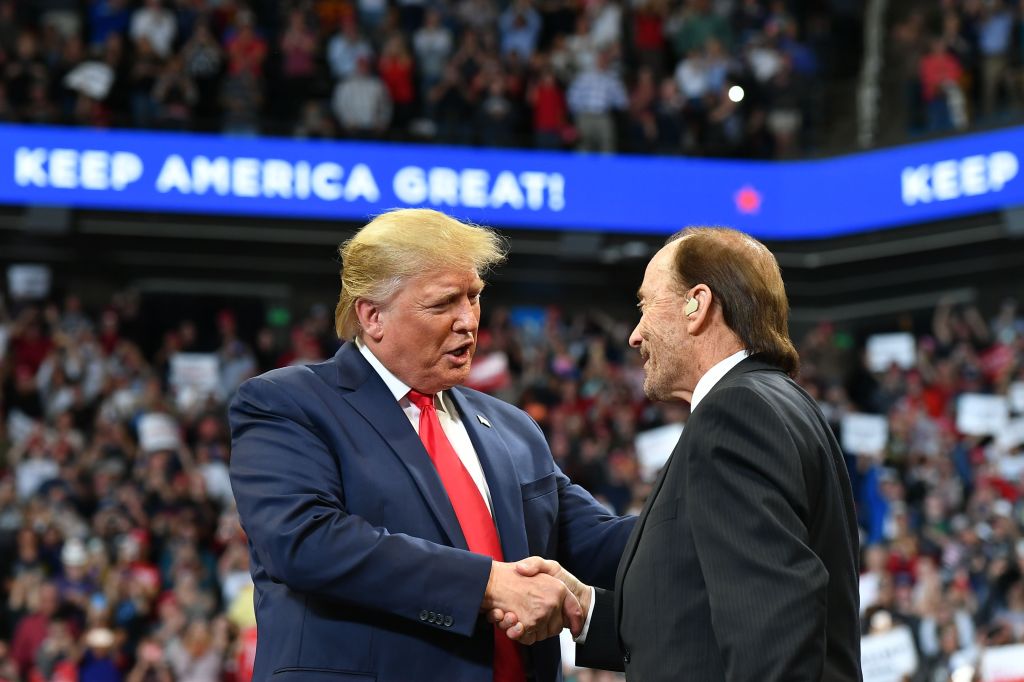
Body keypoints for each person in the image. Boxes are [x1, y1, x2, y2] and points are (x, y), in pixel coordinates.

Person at [228, 208, 634, 682]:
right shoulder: (287, 402)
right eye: (444, 304)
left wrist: (704, 505)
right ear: (372, 315)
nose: (468, 321)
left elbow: (599, 543)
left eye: (475, 297)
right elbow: (304, 540)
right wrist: (486, 584)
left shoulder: (512, 427)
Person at [498, 227, 861, 681]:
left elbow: (773, 627)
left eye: (645, 305)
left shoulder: (736, 413)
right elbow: (702, 622)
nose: (634, 335)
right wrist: (586, 609)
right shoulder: (777, 403)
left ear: (697, 304)